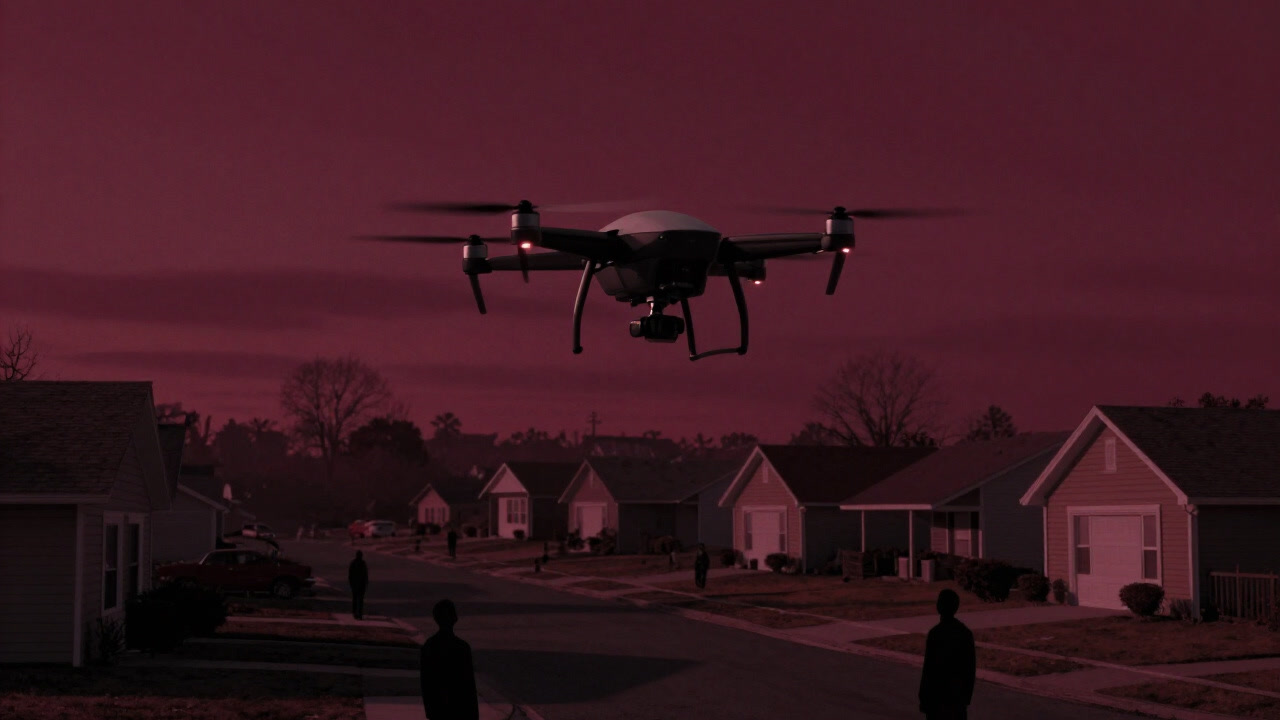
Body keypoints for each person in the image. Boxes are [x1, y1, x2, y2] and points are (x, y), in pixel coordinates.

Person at [919, 589, 976, 720]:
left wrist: (924, 697)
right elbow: (970, 669)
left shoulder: (936, 633)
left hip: (937, 698)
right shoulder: (965, 633)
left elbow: (929, 669)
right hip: (957, 698)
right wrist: (966, 697)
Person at [420, 599, 479, 720]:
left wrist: (430, 711)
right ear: (454, 618)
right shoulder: (462, 647)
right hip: (460, 709)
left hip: (438, 709)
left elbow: (425, 683)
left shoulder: (429, 646)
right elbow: (469, 685)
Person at [348, 550, 369, 620]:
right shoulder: (358, 563)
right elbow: (350, 575)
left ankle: (358, 613)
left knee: (357, 599)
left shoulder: (356, 563)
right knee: (358, 599)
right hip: (358, 584)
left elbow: (350, 575)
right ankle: (357, 613)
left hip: (358, 584)